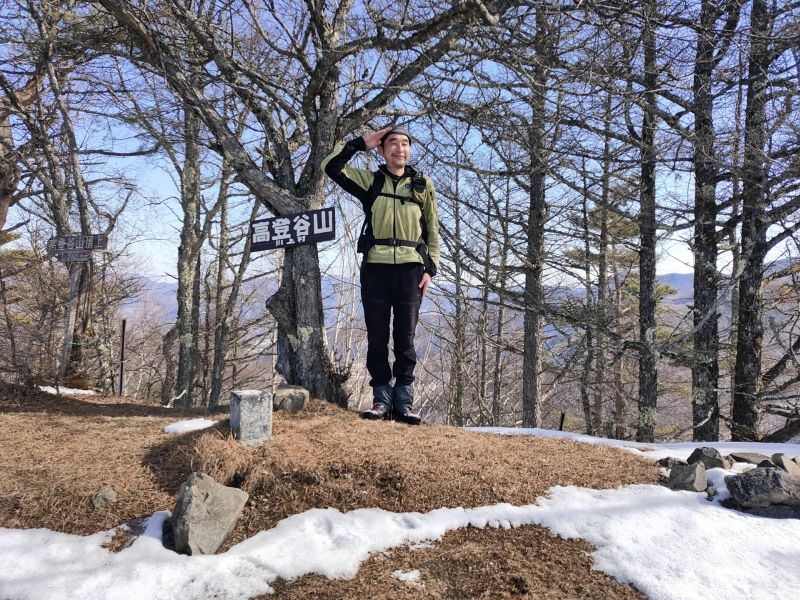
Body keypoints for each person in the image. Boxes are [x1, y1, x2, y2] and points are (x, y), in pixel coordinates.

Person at [322, 126, 440, 425]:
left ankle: (403, 402)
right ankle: (381, 398)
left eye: (404, 144)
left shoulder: (422, 184)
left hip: (411, 270)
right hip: (375, 267)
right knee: (376, 337)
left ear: (409, 150)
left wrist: (431, 269)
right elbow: (330, 167)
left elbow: (433, 231)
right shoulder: (370, 180)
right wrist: (360, 143)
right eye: (392, 144)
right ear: (382, 150)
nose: (399, 149)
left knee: (406, 338)